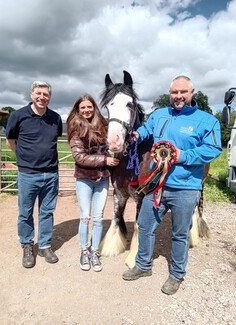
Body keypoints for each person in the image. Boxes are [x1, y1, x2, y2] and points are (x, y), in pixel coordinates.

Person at [122, 76, 222, 294]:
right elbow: (147, 130)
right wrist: (136, 135)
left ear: (192, 92)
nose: (178, 96)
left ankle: (176, 275)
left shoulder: (207, 121)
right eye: (174, 92)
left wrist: (183, 155)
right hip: (156, 185)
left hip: (186, 188)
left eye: (183, 92)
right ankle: (143, 265)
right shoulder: (159, 114)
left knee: (179, 233)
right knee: (146, 226)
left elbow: (213, 149)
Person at [6, 81, 62, 268]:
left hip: (51, 173)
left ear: (49, 97)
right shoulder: (18, 115)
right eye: (39, 93)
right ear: (32, 94)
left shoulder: (55, 118)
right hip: (28, 174)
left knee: (47, 212)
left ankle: (45, 245)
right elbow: (10, 141)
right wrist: (23, 158)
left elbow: (54, 140)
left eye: (46, 94)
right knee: (25, 213)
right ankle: (27, 245)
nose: (42, 97)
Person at [66, 94, 119, 272]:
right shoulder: (75, 128)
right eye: (83, 108)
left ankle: (95, 251)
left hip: (102, 178)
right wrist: (105, 160)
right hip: (84, 179)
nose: (87, 110)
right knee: (85, 217)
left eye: (89, 107)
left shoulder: (103, 125)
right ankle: (84, 250)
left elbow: (113, 143)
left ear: (94, 107)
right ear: (78, 110)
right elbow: (79, 157)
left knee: (98, 218)